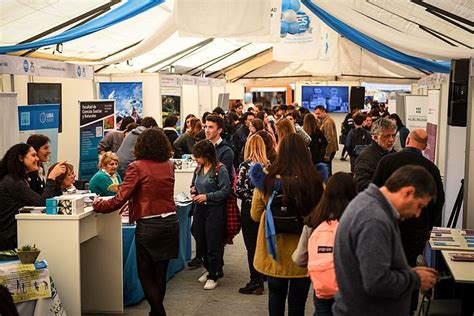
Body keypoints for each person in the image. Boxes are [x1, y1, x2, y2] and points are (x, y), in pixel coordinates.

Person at [333, 165, 438, 316]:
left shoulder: (370, 206)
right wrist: (415, 278)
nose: (417, 214)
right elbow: (377, 282)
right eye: (419, 206)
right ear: (408, 192)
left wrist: (406, 273)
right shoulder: (374, 219)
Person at [93, 128, 178, 316]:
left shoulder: (137, 167)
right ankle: (156, 313)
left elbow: (119, 199)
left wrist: (98, 205)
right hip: (171, 222)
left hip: (149, 225)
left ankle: (159, 312)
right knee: (160, 274)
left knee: (145, 274)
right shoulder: (169, 164)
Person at [372, 129, 445, 314]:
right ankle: (408, 310)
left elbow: (375, 190)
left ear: (407, 140)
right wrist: (428, 226)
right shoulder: (431, 169)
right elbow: (439, 200)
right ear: (425, 146)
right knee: (410, 269)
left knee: (383, 266)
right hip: (416, 232)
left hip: (387, 226)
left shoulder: (387, 161)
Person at [250, 133, 324, 316]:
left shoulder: (266, 180)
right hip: (303, 253)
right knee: (298, 302)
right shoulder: (315, 182)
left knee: (275, 297)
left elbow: (255, 215)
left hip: (273, 252)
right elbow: (321, 217)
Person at [292, 172, 356, 316]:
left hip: (323, 284)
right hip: (349, 287)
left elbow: (299, 258)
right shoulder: (356, 221)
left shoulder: (314, 220)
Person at [0, 143, 66, 251]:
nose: (37, 158)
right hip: (9, 240)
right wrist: (52, 176)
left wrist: (55, 180)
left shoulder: (20, 179)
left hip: (17, 233)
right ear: (21, 158)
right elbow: (42, 202)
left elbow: (44, 197)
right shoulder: (13, 181)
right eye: (33, 155)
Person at [191, 140, 231, 290]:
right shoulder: (199, 168)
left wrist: (207, 196)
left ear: (206, 155)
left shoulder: (220, 170)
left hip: (215, 210)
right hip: (199, 208)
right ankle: (208, 268)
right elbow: (194, 184)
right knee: (199, 237)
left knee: (213, 242)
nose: (196, 159)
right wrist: (193, 191)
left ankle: (213, 274)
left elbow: (225, 191)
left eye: (198, 156)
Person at [236, 135, 269, 295]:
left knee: (251, 246)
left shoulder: (244, 166)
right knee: (263, 243)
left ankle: (255, 280)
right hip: (266, 210)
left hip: (249, 210)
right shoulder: (269, 165)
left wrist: (250, 198)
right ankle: (263, 274)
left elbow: (238, 189)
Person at [354, 117, 396, 192]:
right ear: (375, 137)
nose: (391, 140)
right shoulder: (366, 157)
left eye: (393, 135)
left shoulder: (393, 153)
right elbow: (361, 185)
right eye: (386, 136)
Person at [314, 105, 338, 176]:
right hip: (328, 149)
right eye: (316, 114)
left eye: (318, 114)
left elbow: (329, 139)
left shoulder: (328, 122)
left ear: (323, 112)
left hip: (328, 150)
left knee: (327, 171)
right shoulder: (323, 121)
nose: (317, 116)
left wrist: (327, 154)